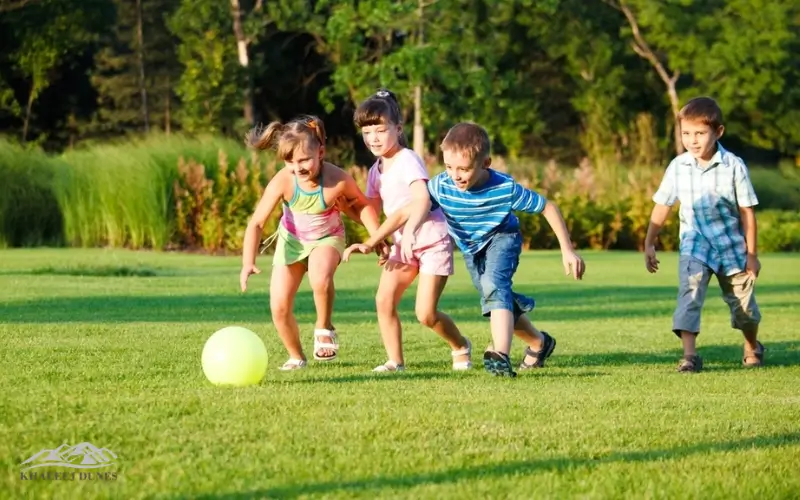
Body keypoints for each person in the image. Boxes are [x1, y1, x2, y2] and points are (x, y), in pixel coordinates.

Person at [346, 121, 585, 377]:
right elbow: (409, 209)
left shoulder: (504, 188)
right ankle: (539, 343)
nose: (455, 175)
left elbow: (547, 206)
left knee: (494, 285)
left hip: (502, 238)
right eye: (449, 167)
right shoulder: (443, 185)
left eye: (464, 169)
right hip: (472, 249)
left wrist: (567, 250)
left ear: (486, 163)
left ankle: (500, 355)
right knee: (496, 298)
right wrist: (373, 241)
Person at [341, 89, 472, 372]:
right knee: (383, 299)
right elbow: (370, 212)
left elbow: (422, 199)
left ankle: (460, 345)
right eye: (367, 132)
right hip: (403, 244)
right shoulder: (376, 170)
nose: (373, 138)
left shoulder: (408, 159)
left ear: (397, 129)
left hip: (430, 239)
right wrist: (345, 210)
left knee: (425, 314)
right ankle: (395, 361)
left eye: (380, 130)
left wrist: (410, 230)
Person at [240, 115, 384, 371]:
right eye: (290, 162)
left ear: (320, 151)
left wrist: (377, 238)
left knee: (320, 278)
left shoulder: (336, 179)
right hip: (292, 242)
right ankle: (296, 356)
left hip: (327, 238)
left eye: (305, 159)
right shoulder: (284, 181)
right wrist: (247, 262)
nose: (298, 168)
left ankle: (324, 325)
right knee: (279, 307)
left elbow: (362, 207)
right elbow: (257, 223)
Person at [644, 96, 764, 373]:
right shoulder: (678, 166)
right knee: (690, 292)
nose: (692, 140)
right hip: (694, 243)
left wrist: (752, 254)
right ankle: (690, 356)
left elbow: (747, 213)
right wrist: (650, 242)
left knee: (744, 309)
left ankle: (752, 345)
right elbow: (663, 205)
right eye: (686, 133)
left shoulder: (733, 166)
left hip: (731, 246)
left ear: (718, 132)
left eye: (700, 133)